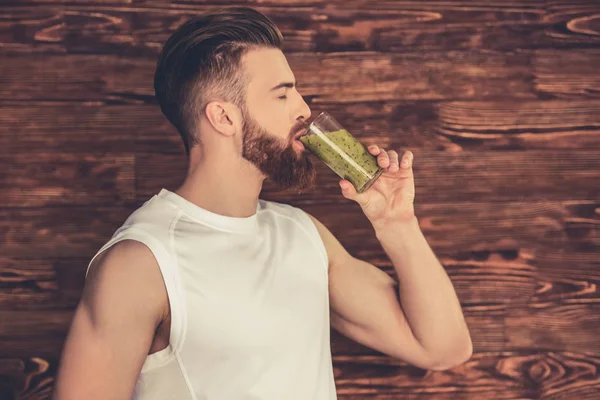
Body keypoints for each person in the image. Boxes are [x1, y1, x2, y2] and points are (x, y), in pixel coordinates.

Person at [53, 7, 472, 400]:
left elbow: (442, 349)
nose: (304, 109)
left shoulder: (304, 236)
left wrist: (397, 224)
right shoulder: (140, 262)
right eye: (282, 95)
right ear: (223, 117)